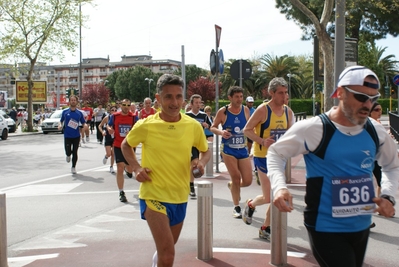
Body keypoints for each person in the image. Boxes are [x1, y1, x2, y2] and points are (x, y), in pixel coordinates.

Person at [267, 65, 398, 267]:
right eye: (361, 97)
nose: (368, 104)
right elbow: (275, 152)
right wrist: (279, 187)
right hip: (325, 225)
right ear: (340, 93)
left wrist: (388, 195)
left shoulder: (375, 131)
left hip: (362, 225)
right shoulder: (315, 128)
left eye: (373, 99)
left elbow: (392, 165)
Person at [121, 74, 210, 267]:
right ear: (158, 99)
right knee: (168, 254)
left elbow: (205, 150)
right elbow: (125, 145)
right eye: (168, 97)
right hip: (153, 194)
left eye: (178, 96)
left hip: (179, 196)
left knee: (167, 249)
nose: (174, 102)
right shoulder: (146, 125)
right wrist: (136, 168)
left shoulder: (192, 126)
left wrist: (201, 163)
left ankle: (157, 262)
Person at [242, 77, 295, 240]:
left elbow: (292, 134)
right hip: (262, 157)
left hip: (279, 159)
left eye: (285, 92)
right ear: (272, 93)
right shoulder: (263, 110)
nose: (284, 96)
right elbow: (247, 130)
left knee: (275, 195)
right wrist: (262, 141)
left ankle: (265, 227)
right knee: (269, 197)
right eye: (280, 93)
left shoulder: (288, 111)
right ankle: (251, 205)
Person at [210, 86, 253, 218]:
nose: (239, 99)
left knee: (247, 181)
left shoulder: (245, 110)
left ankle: (233, 186)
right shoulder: (223, 112)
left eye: (241, 96)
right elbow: (213, 127)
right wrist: (221, 132)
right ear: (230, 98)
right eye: (237, 97)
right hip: (228, 150)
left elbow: (249, 127)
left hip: (242, 149)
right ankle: (236, 207)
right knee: (235, 177)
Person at [107, 99, 136, 202]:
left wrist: (132, 133)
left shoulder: (133, 117)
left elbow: (137, 129)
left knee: (130, 169)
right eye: (124, 105)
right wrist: (109, 129)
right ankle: (121, 192)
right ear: (121, 105)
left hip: (129, 146)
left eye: (128, 105)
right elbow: (109, 125)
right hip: (118, 145)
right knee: (119, 167)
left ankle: (128, 170)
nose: (126, 107)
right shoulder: (115, 116)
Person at [185, 94, 212, 197]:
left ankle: (191, 181)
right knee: (193, 163)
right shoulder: (187, 116)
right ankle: (191, 186)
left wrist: (207, 126)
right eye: (196, 102)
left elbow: (211, 127)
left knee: (196, 164)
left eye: (199, 102)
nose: (198, 105)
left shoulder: (204, 115)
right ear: (191, 104)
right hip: (190, 143)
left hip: (201, 143)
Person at [58, 95, 87, 174]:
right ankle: (68, 155)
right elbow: (61, 121)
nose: (73, 101)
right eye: (72, 100)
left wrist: (85, 125)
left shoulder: (79, 113)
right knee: (68, 152)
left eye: (74, 100)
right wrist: (60, 125)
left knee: (75, 152)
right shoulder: (65, 112)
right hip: (67, 135)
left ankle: (73, 167)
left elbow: (83, 122)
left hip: (76, 136)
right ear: (69, 102)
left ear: (76, 102)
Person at [98, 106, 117, 174]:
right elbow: (100, 125)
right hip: (108, 137)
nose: (114, 111)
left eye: (115, 110)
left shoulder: (118, 118)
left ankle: (111, 167)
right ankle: (106, 156)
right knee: (109, 153)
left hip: (115, 138)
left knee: (113, 153)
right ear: (110, 111)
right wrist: (102, 131)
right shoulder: (107, 118)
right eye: (112, 110)